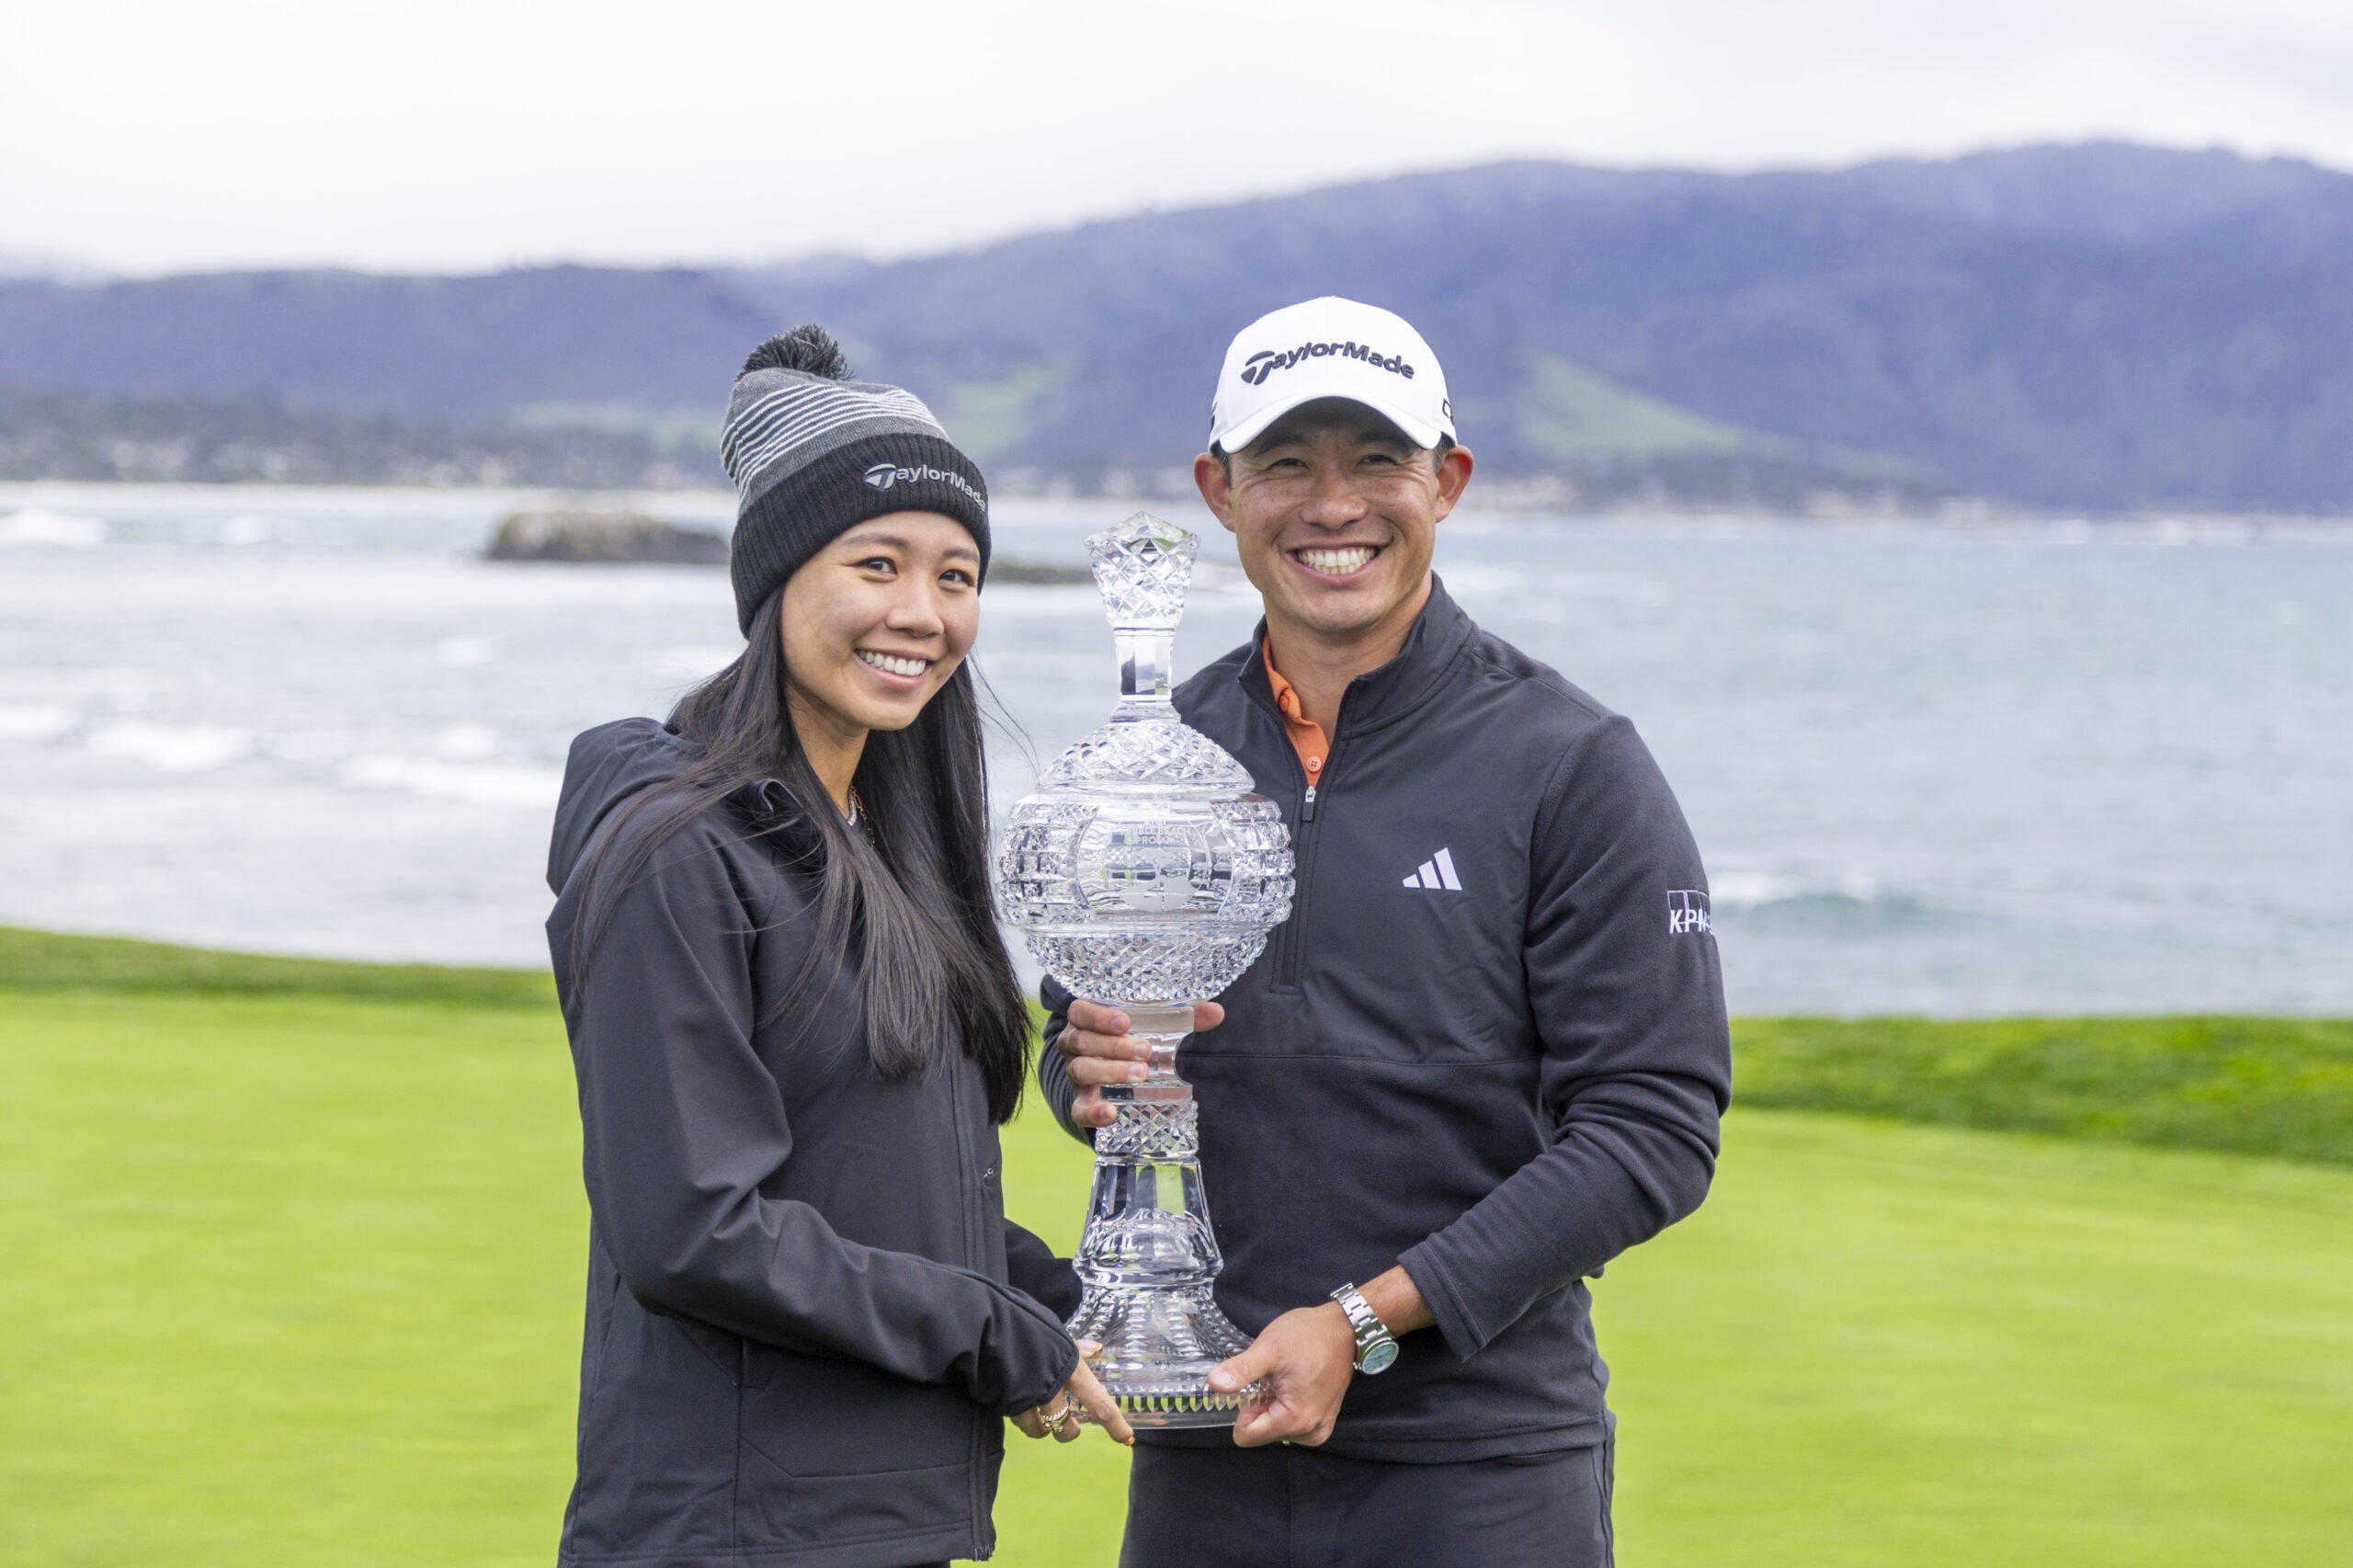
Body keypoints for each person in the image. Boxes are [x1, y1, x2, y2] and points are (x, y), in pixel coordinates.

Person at [1040, 297, 1732, 1567]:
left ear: (1447, 481)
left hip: (1480, 1465)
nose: (1333, 503)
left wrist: (1361, 1320)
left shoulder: (1571, 761)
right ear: (1220, 489)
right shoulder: (1163, 755)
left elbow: (1656, 1128)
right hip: (1210, 1445)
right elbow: (1077, 1030)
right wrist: (1077, 1065)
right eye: (1288, 463)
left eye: (1377, 460)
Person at [545, 325, 1131, 1568]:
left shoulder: (879, 843)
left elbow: (862, 1183)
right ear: (779, 582)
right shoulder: (677, 850)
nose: (921, 612)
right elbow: (695, 1230)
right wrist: (988, 1327)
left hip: (869, 1523)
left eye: (958, 574)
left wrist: (1053, 1298)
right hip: (734, 1534)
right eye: (879, 562)